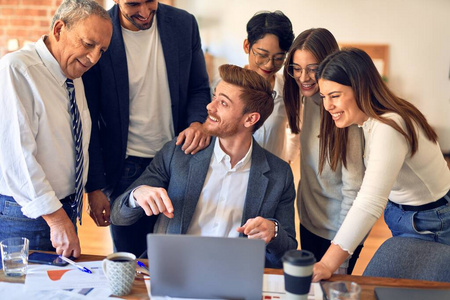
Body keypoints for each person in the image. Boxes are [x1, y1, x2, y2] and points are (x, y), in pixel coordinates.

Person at [110, 64, 298, 268]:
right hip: (174, 269)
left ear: (250, 119)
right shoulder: (179, 152)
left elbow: (286, 253)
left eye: (223, 103)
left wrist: (273, 232)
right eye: (214, 96)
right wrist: (138, 195)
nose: (210, 106)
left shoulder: (279, 174)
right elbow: (119, 215)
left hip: (235, 275)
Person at [82, 0, 211, 256]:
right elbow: (90, 119)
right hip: (124, 170)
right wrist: (94, 187)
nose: (143, 12)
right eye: (133, 4)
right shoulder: (98, 34)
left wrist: (197, 122)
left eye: (150, 2)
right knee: (132, 262)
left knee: (178, 257)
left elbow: (199, 88)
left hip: (179, 160)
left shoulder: (184, 24)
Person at [313, 48, 450, 281]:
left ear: (360, 87)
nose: (327, 106)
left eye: (334, 95)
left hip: (431, 223)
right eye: (324, 97)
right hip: (406, 215)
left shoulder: (389, 126)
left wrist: (327, 263)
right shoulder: (374, 119)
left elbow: (369, 201)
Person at [0, 0, 112, 261]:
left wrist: (90, 189)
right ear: (60, 29)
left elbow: (75, 140)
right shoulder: (16, 69)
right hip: (29, 213)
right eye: (88, 44)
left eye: (101, 50)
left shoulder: (73, 71)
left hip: (64, 207)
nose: (94, 58)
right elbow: (17, 159)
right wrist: (57, 220)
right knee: (23, 291)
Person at [283, 28, 365, 275]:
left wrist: (339, 259)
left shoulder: (344, 114)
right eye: (296, 68)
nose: (303, 77)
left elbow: (354, 191)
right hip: (308, 220)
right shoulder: (306, 98)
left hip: (339, 231)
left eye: (312, 68)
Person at [240, 10, 299, 162]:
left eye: (279, 58)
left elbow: (296, 130)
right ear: (247, 46)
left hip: (273, 177)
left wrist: (286, 162)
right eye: (262, 54)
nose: (269, 64)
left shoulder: (287, 89)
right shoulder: (227, 86)